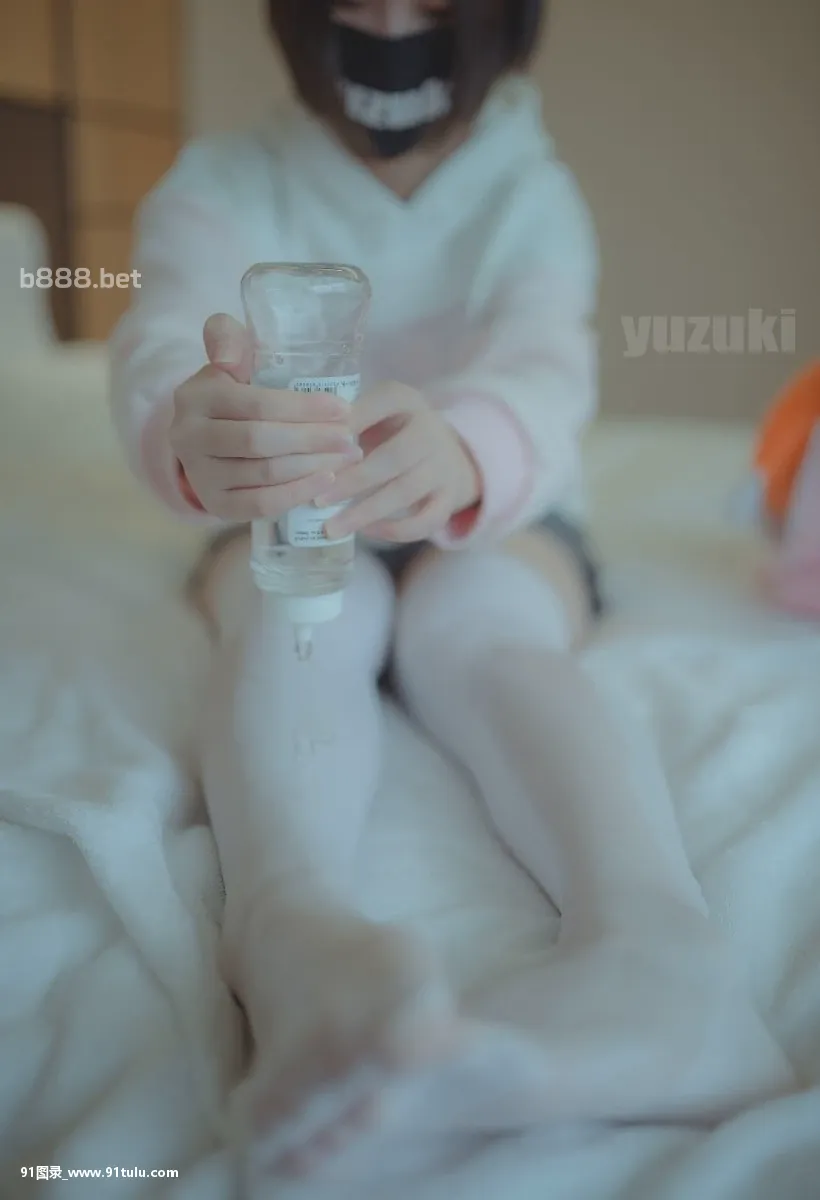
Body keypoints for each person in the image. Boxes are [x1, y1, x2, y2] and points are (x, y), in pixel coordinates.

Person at [110, 0, 794, 1180]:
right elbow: (165, 333)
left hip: (495, 505)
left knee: (480, 623)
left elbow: (546, 365)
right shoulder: (221, 182)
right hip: (287, 505)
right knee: (292, 609)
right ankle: (290, 928)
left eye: (427, 1)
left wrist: (469, 450)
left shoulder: (529, 192)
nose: (388, 23)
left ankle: (660, 951)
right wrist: (192, 423)